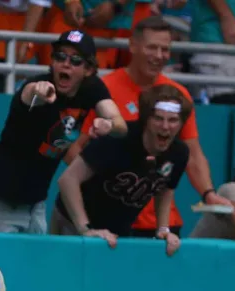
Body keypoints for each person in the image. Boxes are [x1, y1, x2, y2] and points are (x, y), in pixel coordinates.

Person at [67, 16, 231, 237]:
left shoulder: (178, 95)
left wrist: (208, 193)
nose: (159, 56)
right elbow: (76, 150)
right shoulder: (103, 88)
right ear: (133, 46)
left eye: (165, 49)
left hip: (160, 226)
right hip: (107, 221)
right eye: (152, 47)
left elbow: (192, 154)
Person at [0, 30, 127, 234]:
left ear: (88, 69)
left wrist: (109, 125)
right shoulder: (38, 86)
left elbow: (121, 126)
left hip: (36, 203)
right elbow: (30, 93)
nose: (66, 64)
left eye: (75, 60)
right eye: (60, 57)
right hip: (2, 201)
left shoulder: (91, 89)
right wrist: (38, 91)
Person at [53, 84, 189, 256]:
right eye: (158, 118)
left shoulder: (179, 153)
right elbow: (67, 180)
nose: (165, 126)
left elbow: (165, 189)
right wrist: (85, 229)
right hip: (73, 221)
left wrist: (163, 229)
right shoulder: (119, 139)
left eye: (173, 120)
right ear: (146, 119)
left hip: (118, 231)